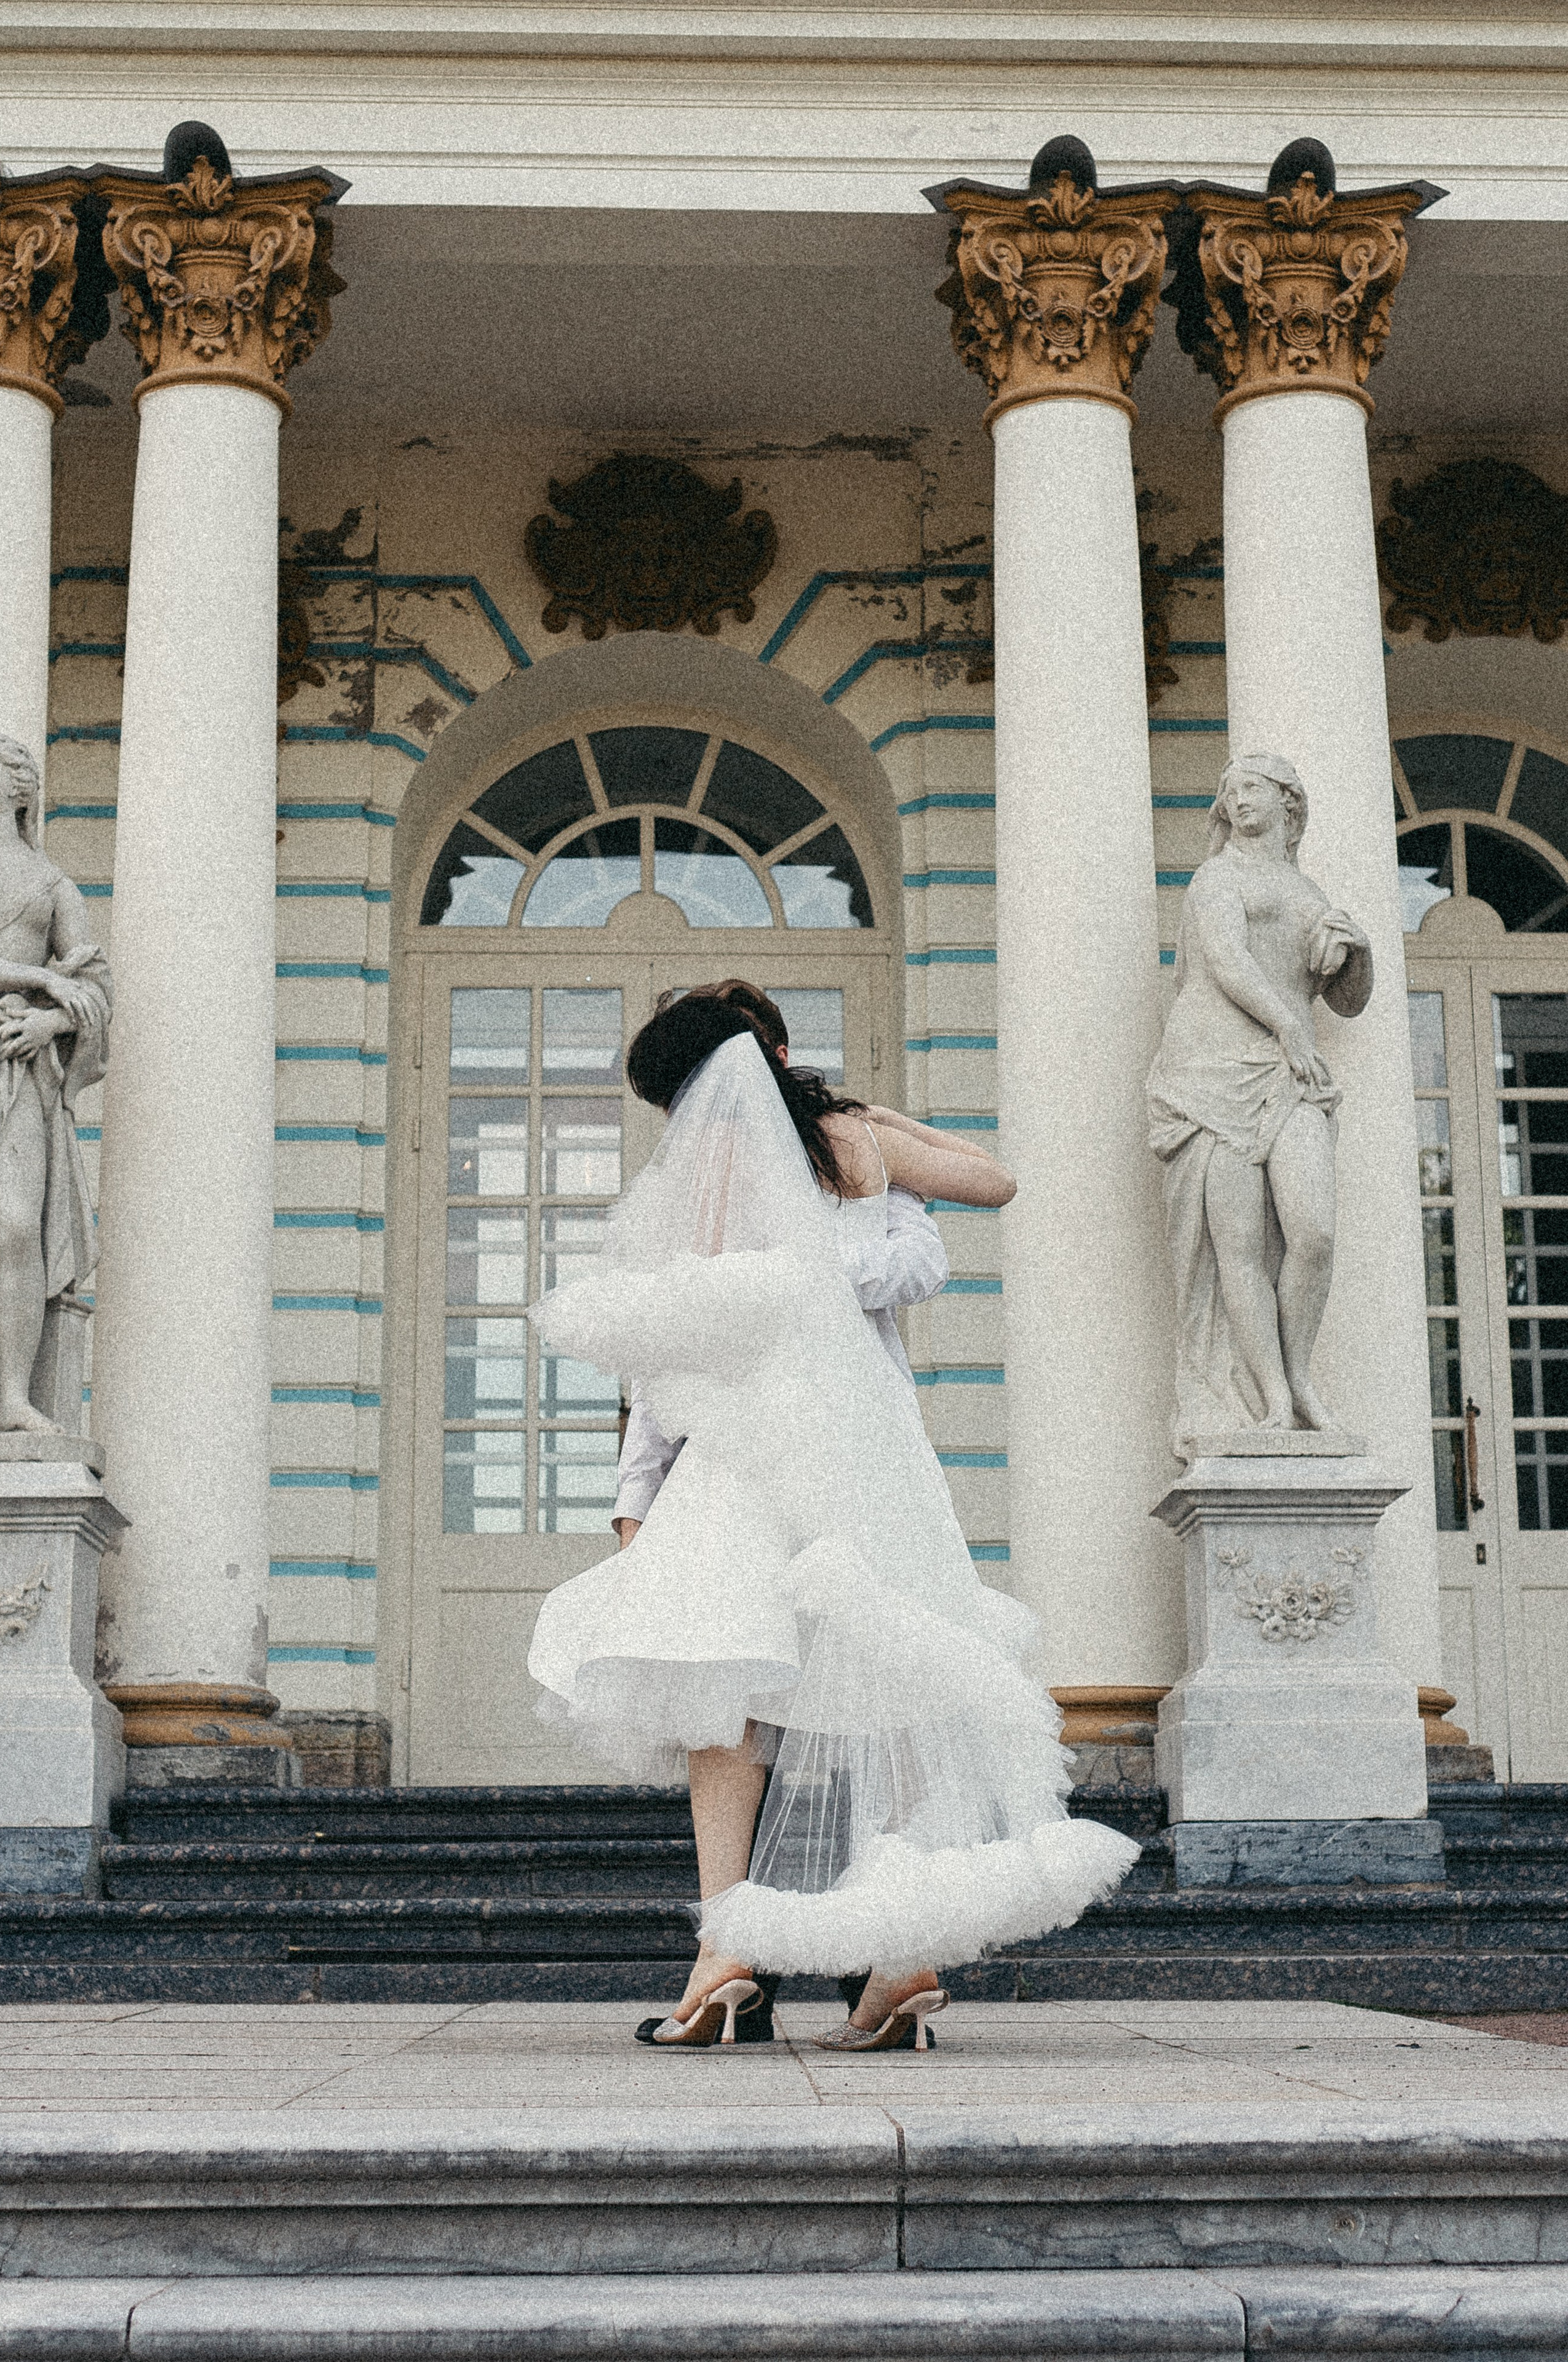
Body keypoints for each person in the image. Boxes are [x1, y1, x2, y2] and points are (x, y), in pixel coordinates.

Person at [528, 985, 1140, 2051]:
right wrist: (886, 1132)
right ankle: (897, 1958)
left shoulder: (715, 1169)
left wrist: (638, 1494)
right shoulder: (854, 1145)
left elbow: (675, 1345)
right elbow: (985, 1191)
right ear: (773, 1049)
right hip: (867, 1452)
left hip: (749, 1452)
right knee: (882, 1684)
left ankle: (732, 1955)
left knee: (726, 1697)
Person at [612, 982, 952, 1549]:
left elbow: (927, 1259)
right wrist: (634, 1510)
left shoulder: (846, 1155)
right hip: (733, 1459)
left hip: (853, 1446)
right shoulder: (694, 1196)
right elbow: (666, 1356)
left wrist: (888, 1174)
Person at [1145, 753, 1372, 1442]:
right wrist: (1286, 1028)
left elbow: (1347, 1001)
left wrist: (1358, 953)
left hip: (1289, 1073)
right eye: (1230, 792)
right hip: (1212, 1070)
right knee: (1235, 1247)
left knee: (1314, 1233)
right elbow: (1225, 961)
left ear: (1287, 803)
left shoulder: (1308, 891)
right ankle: (1273, 1399)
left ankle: (1299, 1374)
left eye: (1252, 789)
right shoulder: (1218, 877)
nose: (1238, 800)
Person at [0, 735, 110, 1433]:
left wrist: (49, 1027)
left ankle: (10, 1396)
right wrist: (39, 980)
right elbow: (60, 977)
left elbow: (95, 985)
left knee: (13, 1228)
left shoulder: (52, 885)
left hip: (16, 1067)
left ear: (17, 791)